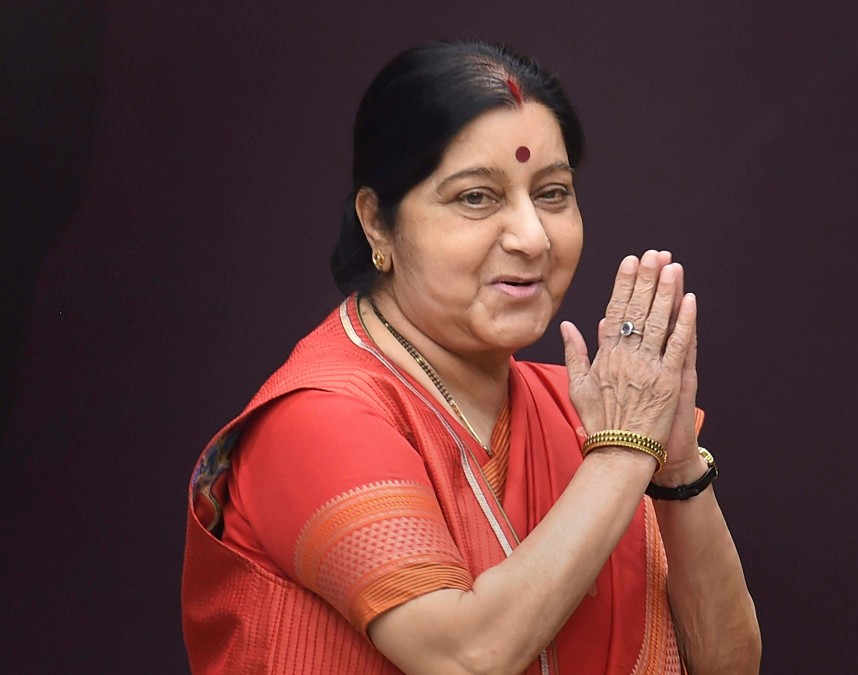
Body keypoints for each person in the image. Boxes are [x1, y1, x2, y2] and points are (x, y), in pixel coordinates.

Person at [181, 40, 760, 674]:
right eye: (476, 198)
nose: (532, 237)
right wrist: (624, 453)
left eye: (553, 194)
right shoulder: (315, 421)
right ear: (378, 222)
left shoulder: (582, 413)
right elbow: (466, 659)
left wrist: (675, 468)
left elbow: (727, 667)